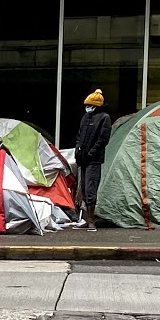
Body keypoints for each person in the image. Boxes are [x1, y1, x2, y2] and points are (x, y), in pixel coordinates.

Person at [72, 89, 112, 228]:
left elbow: (103, 139)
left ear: (95, 106)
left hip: (93, 160)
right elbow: (79, 135)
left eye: (89, 105)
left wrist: (91, 153)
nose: (87, 108)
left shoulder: (104, 118)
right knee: (83, 188)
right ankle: (85, 218)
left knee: (90, 188)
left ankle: (91, 220)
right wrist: (78, 150)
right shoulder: (85, 118)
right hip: (83, 159)